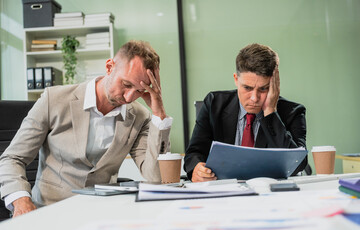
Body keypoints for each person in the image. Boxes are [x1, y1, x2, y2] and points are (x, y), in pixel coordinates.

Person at [0, 40, 172, 217]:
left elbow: (155, 177)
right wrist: (21, 201)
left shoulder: (140, 116)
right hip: (49, 212)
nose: (129, 97)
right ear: (109, 66)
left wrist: (159, 114)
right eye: (126, 85)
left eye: (139, 91)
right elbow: (12, 158)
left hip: (101, 215)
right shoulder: (54, 99)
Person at [184, 43, 307, 182]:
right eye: (247, 88)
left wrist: (270, 112)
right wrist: (197, 169)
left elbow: (298, 164)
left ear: (275, 86)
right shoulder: (214, 104)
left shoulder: (293, 112)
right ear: (236, 79)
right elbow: (194, 153)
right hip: (223, 193)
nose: (254, 98)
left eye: (263, 89)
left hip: (269, 194)